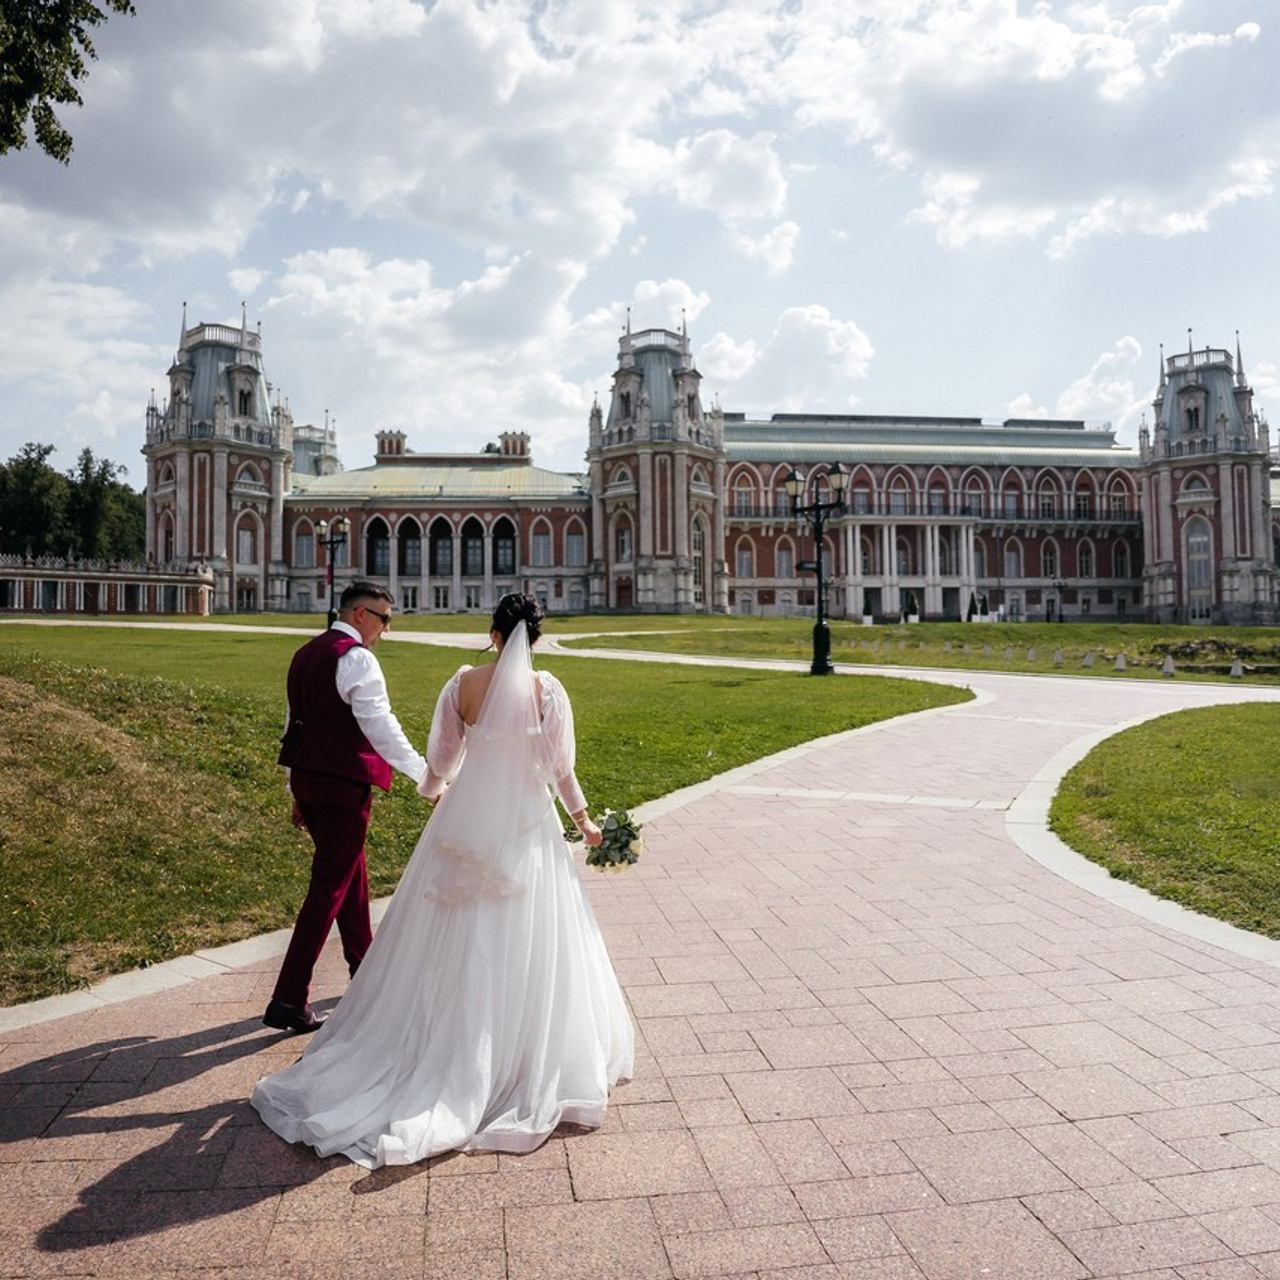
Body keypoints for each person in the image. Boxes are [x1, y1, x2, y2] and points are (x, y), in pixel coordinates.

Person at [251, 593, 634, 1167]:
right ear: (535, 636)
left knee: (452, 924)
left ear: (493, 633)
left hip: (467, 818)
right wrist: (584, 822)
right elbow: (560, 768)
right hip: (526, 824)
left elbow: (441, 760)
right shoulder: (547, 690)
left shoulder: (461, 685)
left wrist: (435, 795)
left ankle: (437, 1040)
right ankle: (515, 1050)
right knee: (531, 930)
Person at [265, 581, 427, 1035]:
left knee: (351, 880)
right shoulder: (357, 659)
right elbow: (382, 727)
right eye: (384, 619)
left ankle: (365, 972)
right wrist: (425, 775)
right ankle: (288, 997)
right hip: (341, 787)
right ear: (360, 614)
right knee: (329, 889)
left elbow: (292, 725)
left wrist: (293, 791)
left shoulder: (306, 654)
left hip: (309, 780)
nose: (386, 630)